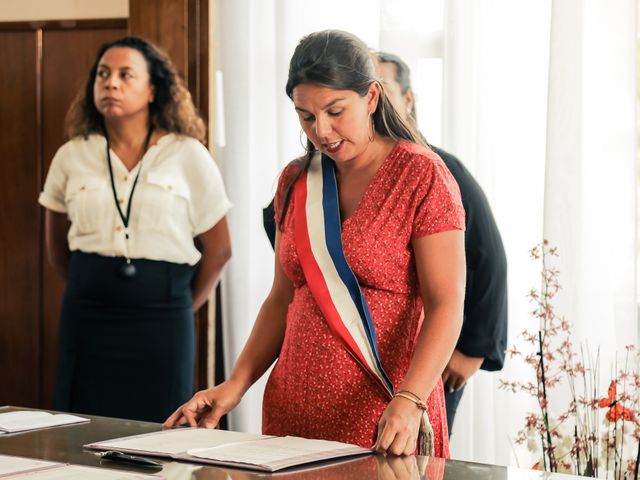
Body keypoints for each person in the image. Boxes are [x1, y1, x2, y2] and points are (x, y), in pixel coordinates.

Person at [165, 29, 465, 457]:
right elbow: (281, 298)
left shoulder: (422, 175)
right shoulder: (297, 180)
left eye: (335, 111)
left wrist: (412, 398)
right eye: (305, 116)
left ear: (372, 97)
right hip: (294, 412)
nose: (321, 130)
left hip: (386, 410)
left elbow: (447, 303)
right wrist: (236, 384)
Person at [38, 36, 232, 423]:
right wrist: (91, 282)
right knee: (81, 429)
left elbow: (220, 248)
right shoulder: (72, 154)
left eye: (126, 75)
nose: (111, 83)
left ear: (153, 89)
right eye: (103, 75)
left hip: (162, 317)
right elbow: (57, 245)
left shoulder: (188, 153)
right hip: (88, 313)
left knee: (161, 431)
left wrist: (177, 305)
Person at [376, 51, 508, 433]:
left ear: (407, 99)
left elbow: (490, 259)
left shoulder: (438, 167)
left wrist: (474, 350)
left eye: (382, 90)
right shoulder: (346, 170)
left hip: (439, 352)